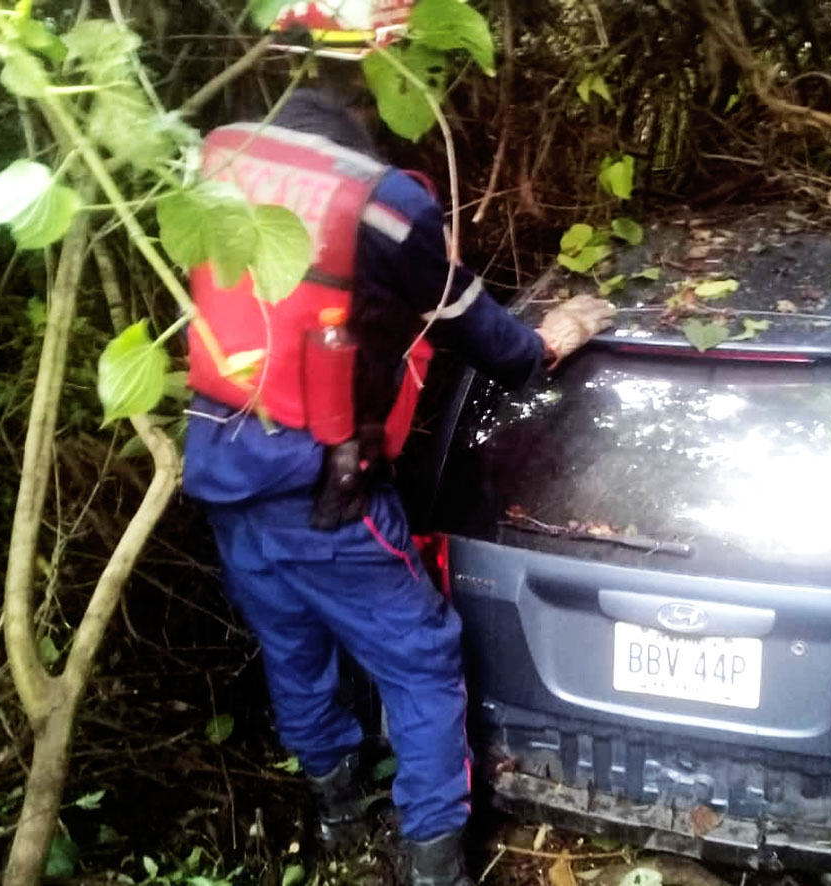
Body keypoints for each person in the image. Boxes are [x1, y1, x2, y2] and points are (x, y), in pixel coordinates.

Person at [180, 11, 616, 886]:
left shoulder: (218, 152)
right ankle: (434, 861)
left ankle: (339, 817)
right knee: (421, 660)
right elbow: (488, 339)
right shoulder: (386, 204)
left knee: (293, 648)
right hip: (326, 487)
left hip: (224, 463)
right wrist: (554, 337)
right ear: (386, 68)